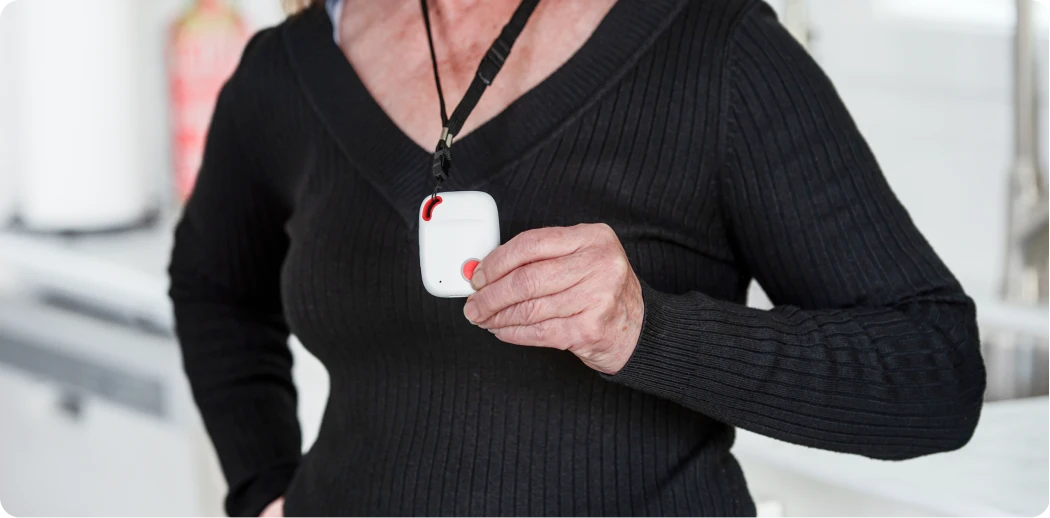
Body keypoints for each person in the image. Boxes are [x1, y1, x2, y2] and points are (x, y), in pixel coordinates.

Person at [168, 0, 987, 516]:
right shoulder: (290, 67)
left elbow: (933, 370)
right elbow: (213, 287)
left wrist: (647, 330)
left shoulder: (715, 50)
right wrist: (262, 482)